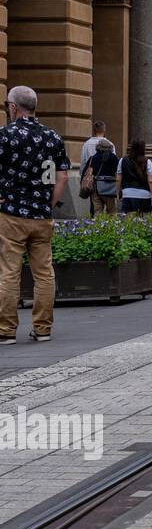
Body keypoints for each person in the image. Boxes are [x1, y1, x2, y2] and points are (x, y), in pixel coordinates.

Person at [0, 86, 70, 344]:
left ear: (14, 107)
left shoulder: (5, 136)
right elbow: (60, 177)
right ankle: (43, 328)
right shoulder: (52, 138)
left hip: (12, 214)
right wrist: (46, 203)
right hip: (41, 215)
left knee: (9, 271)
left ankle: (6, 330)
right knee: (44, 273)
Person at [116, 139, 152, 214]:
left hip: (127, 193)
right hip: (144, 194)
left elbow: (118, 179)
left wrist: (117, 193)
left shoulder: (122, 160)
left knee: (128, 219)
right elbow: (151, 181)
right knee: (142, 220)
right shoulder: (148, 161)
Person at [87, 138, 119, 215]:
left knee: (97, 211)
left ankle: (99, 226)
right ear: (110, 147)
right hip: (110, 188)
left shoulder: (93, 157)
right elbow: (118, 172)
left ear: (98, 147)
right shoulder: (113, 157)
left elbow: (88, 171)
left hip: (96, 188)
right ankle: (110, 227)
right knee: (112, 212)